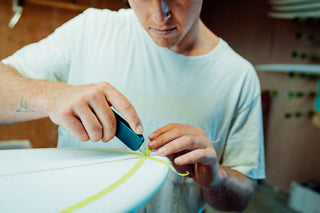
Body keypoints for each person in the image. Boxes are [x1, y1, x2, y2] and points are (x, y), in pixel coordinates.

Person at [0, 0, 265, 212]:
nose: (160, 15)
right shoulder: (90, 30)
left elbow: (240, 199)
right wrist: (50, 95)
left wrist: (217, 179)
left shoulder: (238, 77)